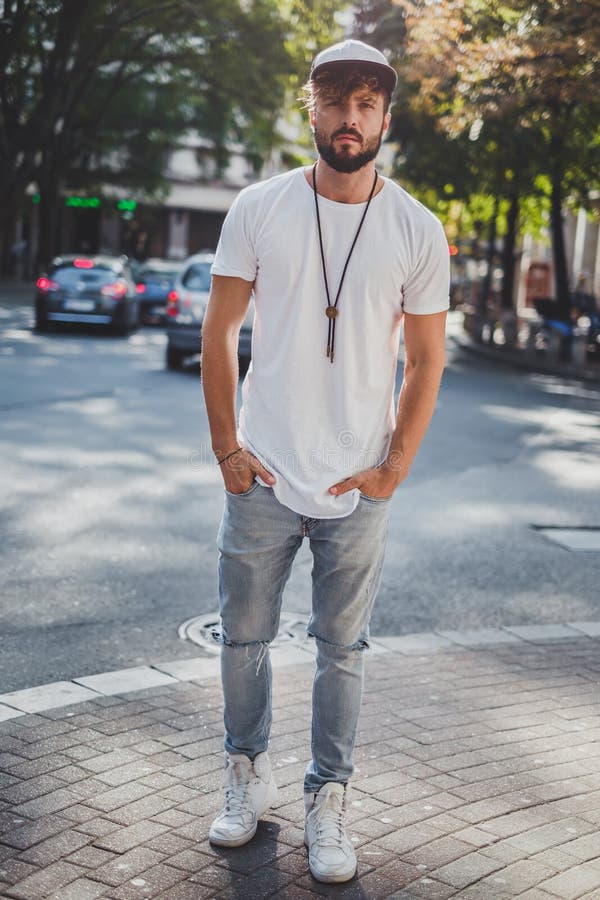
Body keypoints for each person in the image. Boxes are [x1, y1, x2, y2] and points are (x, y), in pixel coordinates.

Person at [201, 39, 449, 884]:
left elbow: (426, 361)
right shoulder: (259, 207)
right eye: (337, 99)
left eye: (368, 104)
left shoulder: (417, 227)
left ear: (386, 117)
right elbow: (219, 332)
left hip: (359, 481)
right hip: (265, 471)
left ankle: (328, 798)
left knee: (344, 651)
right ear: (309, 107)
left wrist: (394, 468)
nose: (352, 117)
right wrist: (227, 448)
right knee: (244, 638)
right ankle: (244, 775)